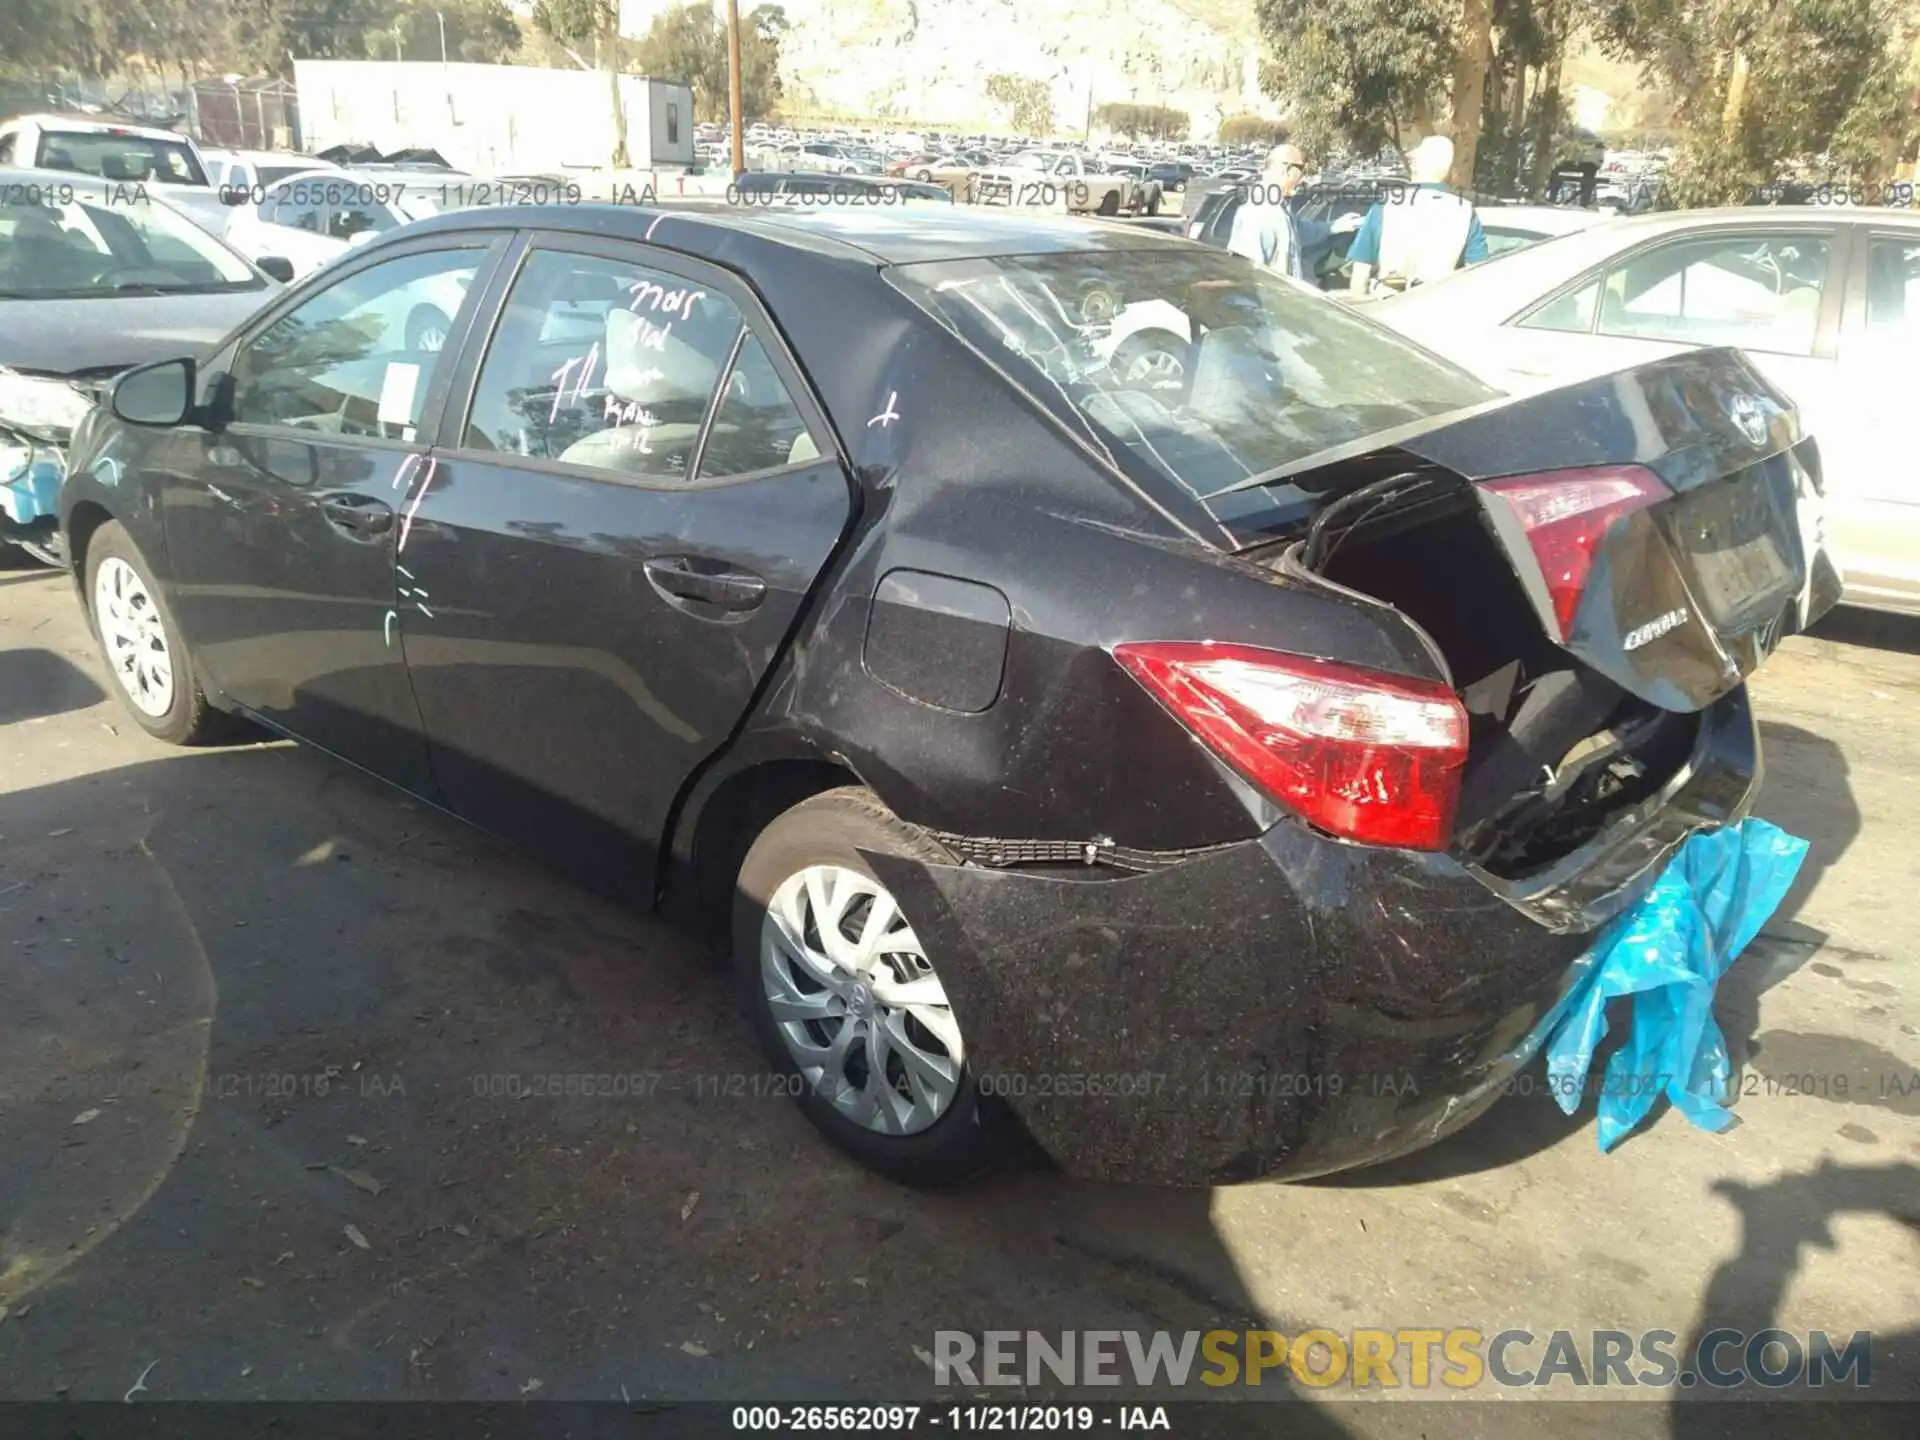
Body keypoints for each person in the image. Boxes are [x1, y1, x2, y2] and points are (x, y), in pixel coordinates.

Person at [1346, 135, 1487, 296]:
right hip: (1438, 311)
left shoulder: (1387, 205)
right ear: (1449, 168)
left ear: (1418, 164)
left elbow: (1360, 275)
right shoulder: (1465, 212)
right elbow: (1477, 276)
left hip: (1386, 308)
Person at [1226, 143, 1315, 281]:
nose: (1302, 178)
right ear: (1284, 169)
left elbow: (1300, 230)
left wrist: (1332, 228)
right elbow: (1248, 279)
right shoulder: (1256, 215)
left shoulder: (1280, 210)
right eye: (1301, 169)